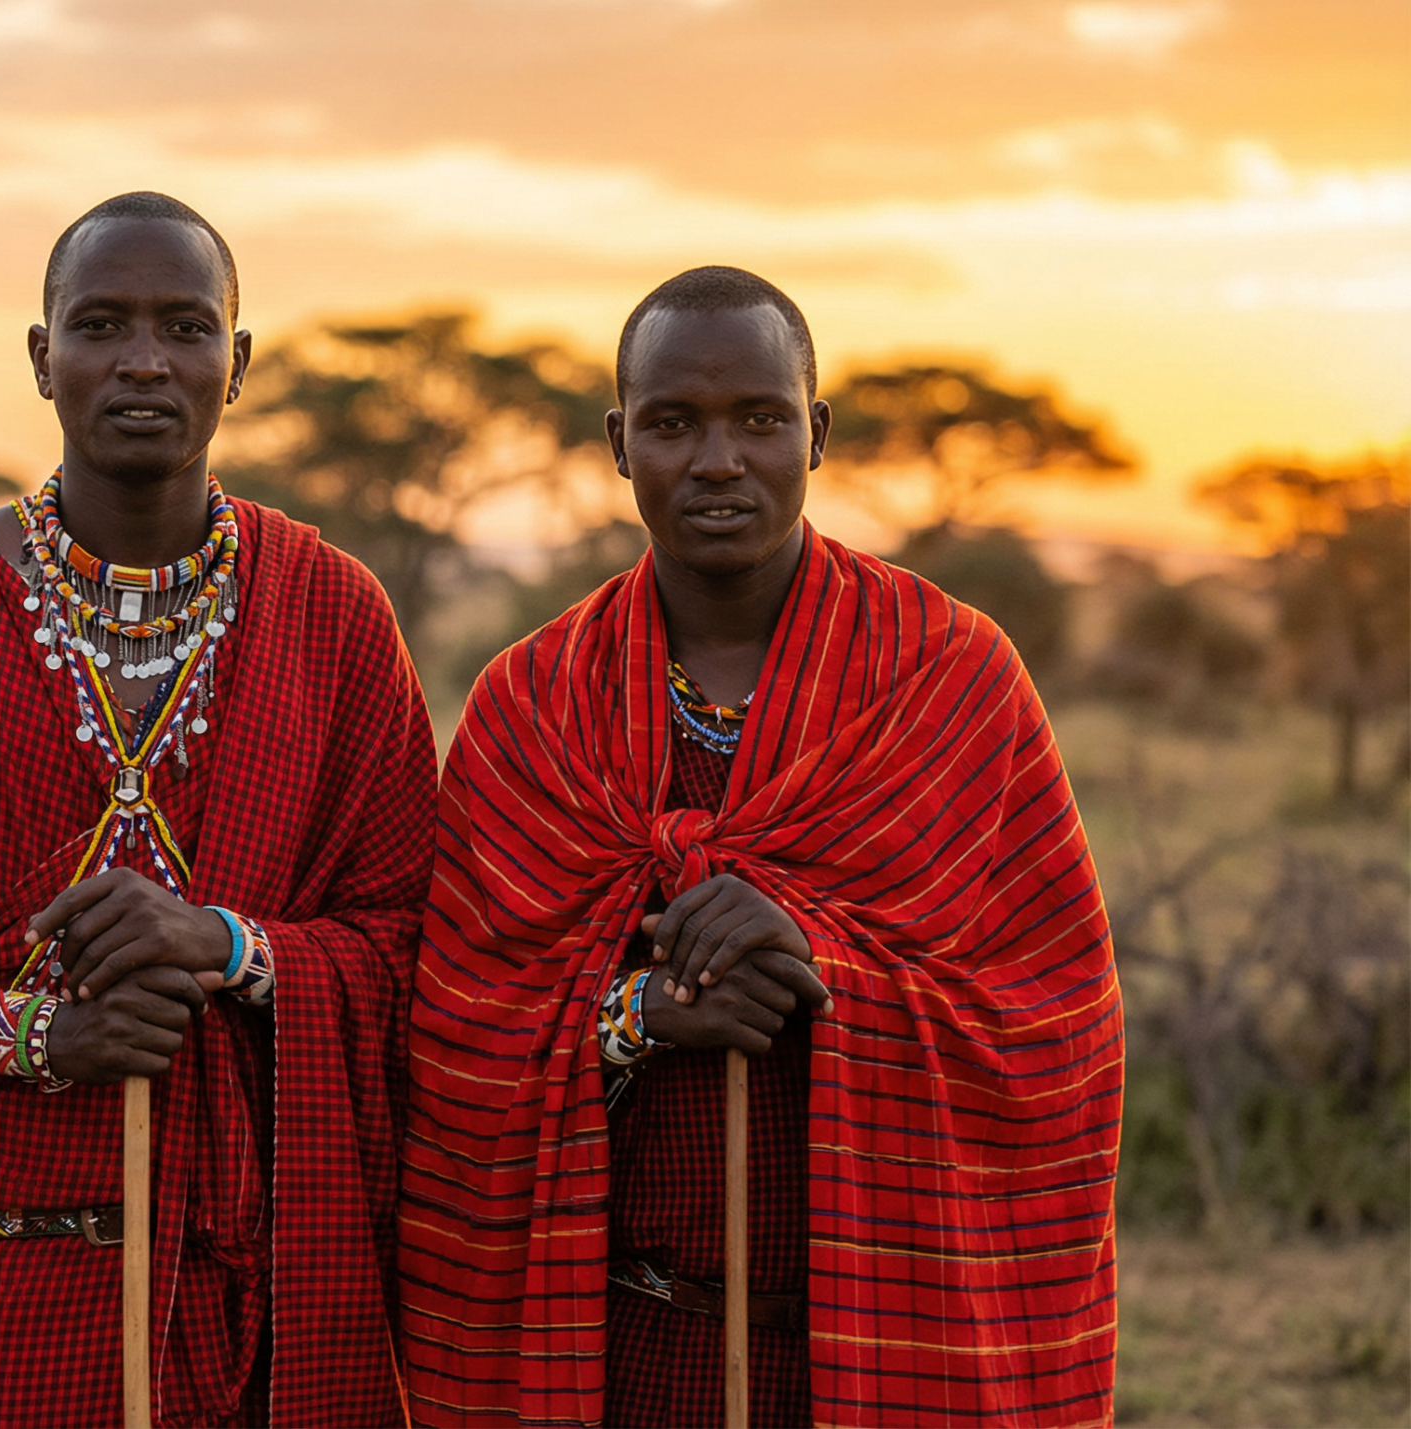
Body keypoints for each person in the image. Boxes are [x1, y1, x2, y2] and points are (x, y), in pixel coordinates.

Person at [397, 267, 1123, 1426]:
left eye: (760, 418)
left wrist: (816, 966)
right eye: (673, 423)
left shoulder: (949, 677)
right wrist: (641, 1014)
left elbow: (1049, 1035)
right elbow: (457, 1040)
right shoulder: (529, 707)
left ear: (817, 432)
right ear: (616, 443)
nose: (718, 458)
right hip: (612, 1348)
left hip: (869, 1347)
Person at [0, 192, 434, 1427]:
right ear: (42, 358)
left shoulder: (336, 611)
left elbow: (412, 941)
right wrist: (36, 1038)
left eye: (187, 327)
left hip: (256, 1272)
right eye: (100, 324)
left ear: (237, 364)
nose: (145, 359)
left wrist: (229, 947)